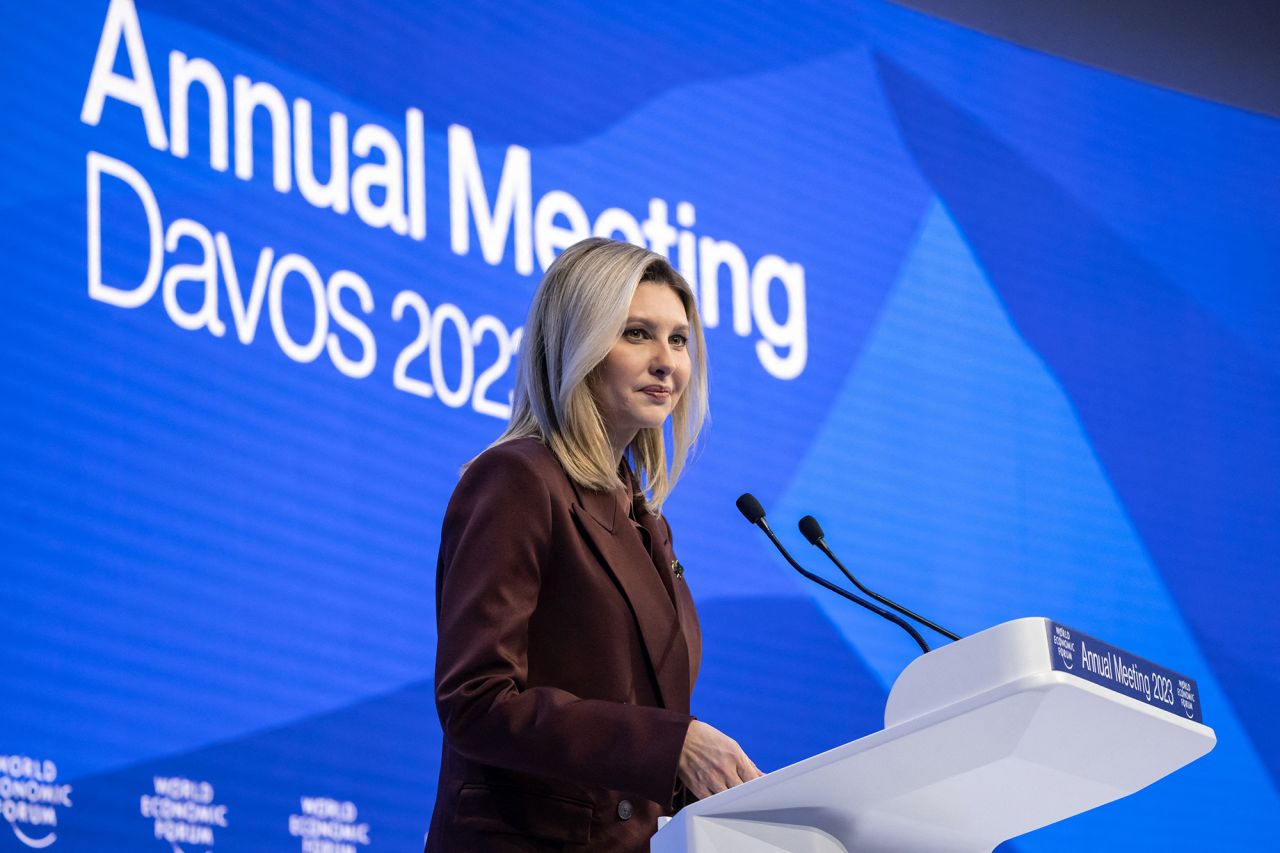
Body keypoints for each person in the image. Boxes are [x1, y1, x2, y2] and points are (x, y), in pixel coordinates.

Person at [425, 237, 762, 851]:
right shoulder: (518, 479)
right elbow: (477, 701)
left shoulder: (647, 523)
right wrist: (673, 745)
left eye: (679, 340)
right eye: (637, 333)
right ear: (576, 345)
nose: (667, 362)